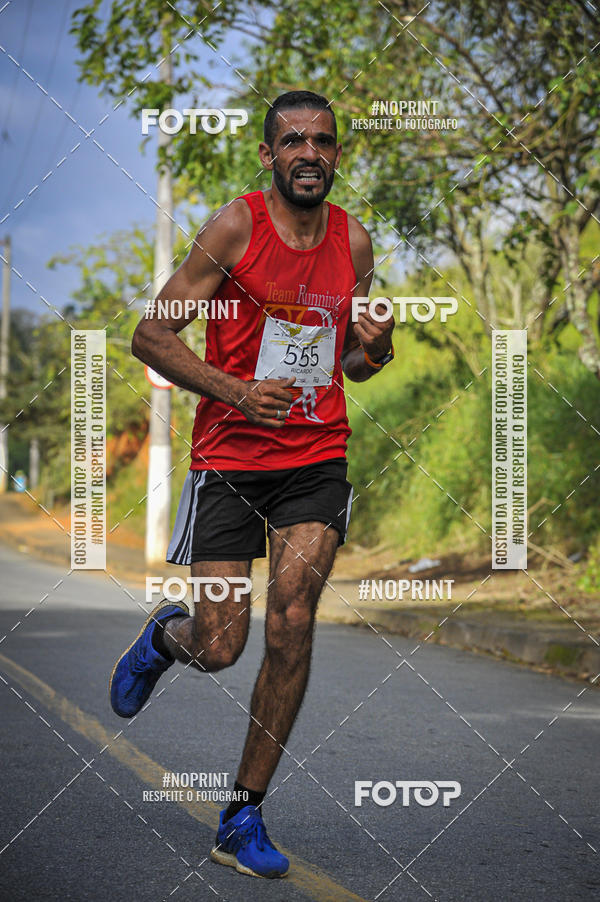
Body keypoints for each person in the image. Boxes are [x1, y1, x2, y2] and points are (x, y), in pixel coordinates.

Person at [110, 90, 395, 879]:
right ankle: (171, 636)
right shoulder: (234, 227)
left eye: (324, 141)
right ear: (269, 156)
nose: (310, 152)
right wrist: (233, 390)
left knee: (293, 619)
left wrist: (382, 347)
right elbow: (150, 333)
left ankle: (242, 815)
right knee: (223, 647)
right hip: (230, 462)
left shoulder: (355, 243)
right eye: (293, 141)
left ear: (338, 156)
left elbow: (352, 365)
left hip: (315, 459)